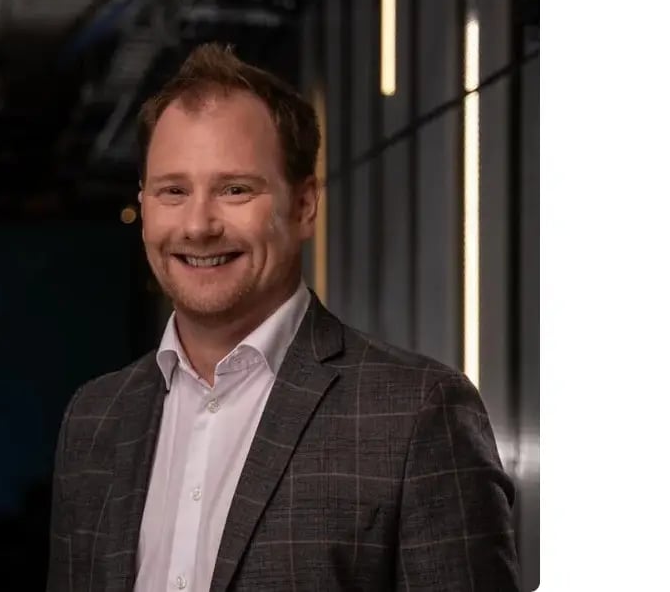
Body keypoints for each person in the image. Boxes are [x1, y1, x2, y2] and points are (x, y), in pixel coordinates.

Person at [46, 43, 519, 592]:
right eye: (173, 191)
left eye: (235, 189)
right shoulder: (93, 420)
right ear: (145, 206)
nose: (198, 225)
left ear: (304, 207)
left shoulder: (418, 414)